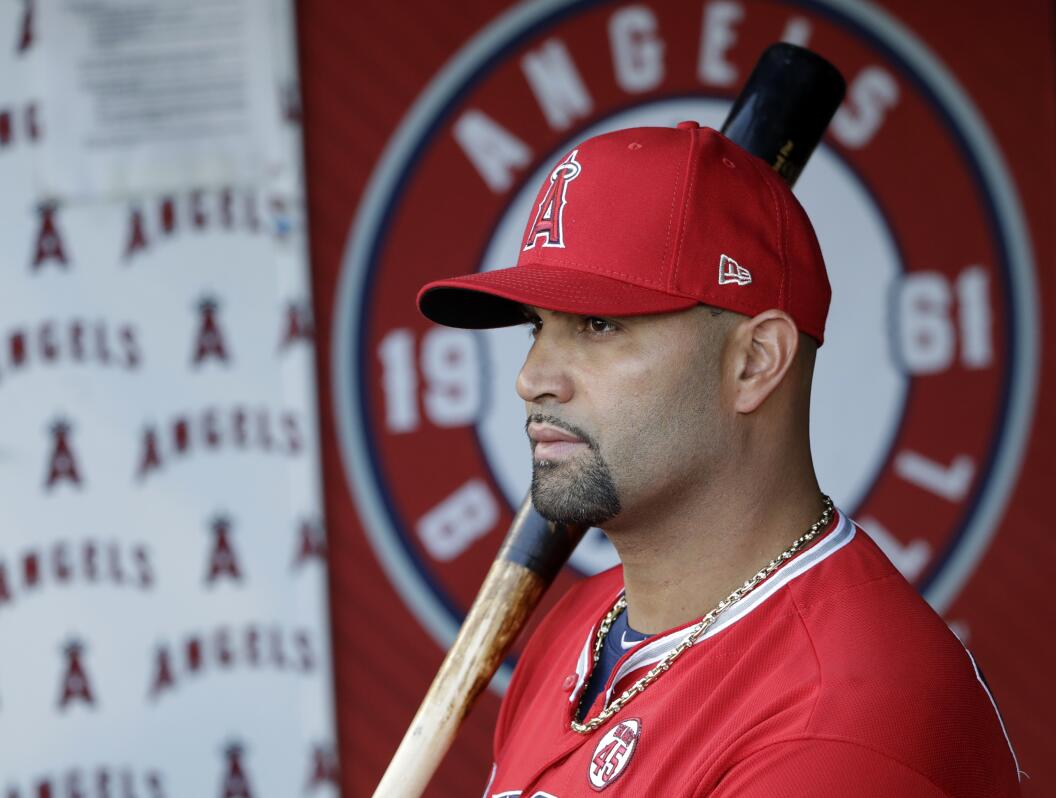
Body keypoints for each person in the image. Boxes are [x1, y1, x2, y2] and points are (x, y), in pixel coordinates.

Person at [416, 122, 1022, 797]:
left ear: (756, 362)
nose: (533, 378)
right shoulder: (578, 626)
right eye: (539, 325)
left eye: (599, 325)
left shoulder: (841, 724)